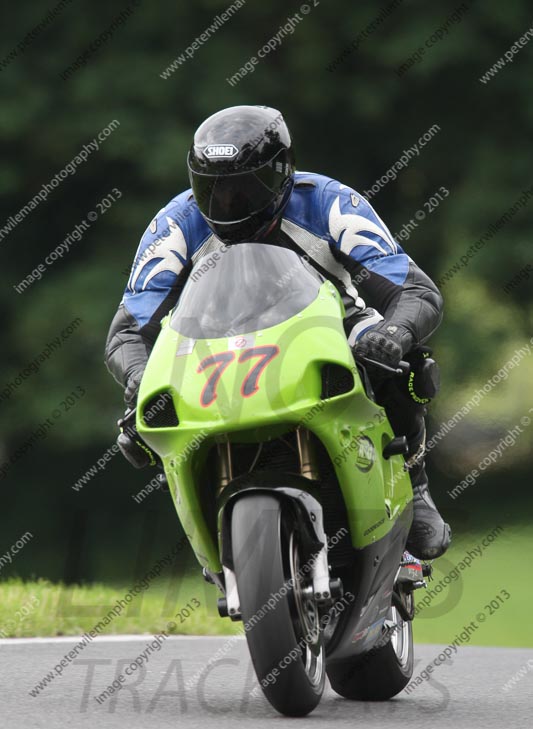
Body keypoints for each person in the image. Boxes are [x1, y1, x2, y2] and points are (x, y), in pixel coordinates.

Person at [105, 104, 451, 561]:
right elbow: (127, 331)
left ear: (284, 171)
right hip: (211, 347)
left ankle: (416, 483)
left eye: (247, 187)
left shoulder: (328, 200)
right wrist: (137, 376)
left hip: (332, 329)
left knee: (405, 368)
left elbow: (416, 289)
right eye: (214, 190)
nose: (230, 205)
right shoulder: (174, 224)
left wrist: (396, 332)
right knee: (146, 419)